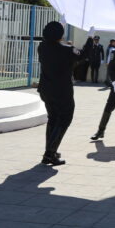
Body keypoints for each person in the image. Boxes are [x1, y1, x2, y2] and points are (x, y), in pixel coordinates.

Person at [37, 21, 82, 166]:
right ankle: (50, 154)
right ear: (60, 35)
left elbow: (51, 42)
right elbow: (82, 55)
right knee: (64, 119)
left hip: (46, 89)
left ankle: (50, 152)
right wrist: (89, 39)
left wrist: (57, 30)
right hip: (61, 91)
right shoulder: (66, 49)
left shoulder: (42, 47)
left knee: (53, 119)